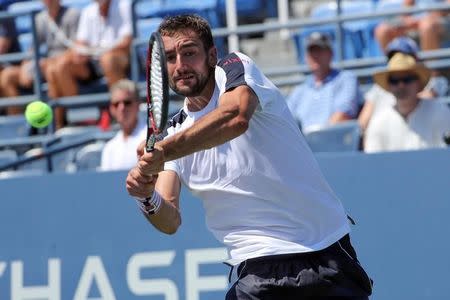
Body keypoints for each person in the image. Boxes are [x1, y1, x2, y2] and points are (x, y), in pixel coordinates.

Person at [126, 14, 372, 299]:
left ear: (212, 55)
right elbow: (169, 220)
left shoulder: (234, 67)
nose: (180, 65)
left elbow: (236, 117)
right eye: (170, 58)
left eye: (189, 53)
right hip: (255, 272)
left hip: (325, 255)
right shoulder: (171, 135)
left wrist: (165, 151)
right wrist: (146, 196)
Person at [48, 0, 132, 129]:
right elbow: (81, 43)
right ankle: (68, 122)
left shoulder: (125, 6)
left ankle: (117, 117)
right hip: (94, 60)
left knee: (107, 60)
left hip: (120, 58)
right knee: (58, 66)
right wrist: (79, 53)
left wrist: (97, 51)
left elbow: (126, 42)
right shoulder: (88, 11)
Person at [0, 0, 80, 116]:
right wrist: (24, 67)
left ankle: (60, 122)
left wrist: (49, 62)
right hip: (46, 64)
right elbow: (33, 49)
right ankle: (18, 124)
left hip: (66, 64)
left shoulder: (73, 14)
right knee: (8, 76)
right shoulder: (40, 19)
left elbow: (76, 50)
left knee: (52, 69)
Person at [364, 52, 450, 152]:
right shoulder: (378, 121)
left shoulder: (440, 112)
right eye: (394, 80)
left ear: (419, 83)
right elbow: (373, 162)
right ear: (389, 86)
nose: (401, 85)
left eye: (407, 79)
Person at [285, 31, 361, 133]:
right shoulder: (299, 90)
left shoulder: (346, 79)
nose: (315, 55)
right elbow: (285, 121)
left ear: (330, 53)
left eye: (320, 50)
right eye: (312, 51)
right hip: (300, 144)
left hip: (331, 142)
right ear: (306, 57)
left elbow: (343, 116)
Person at [100, 79, 146, 171]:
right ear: (111, 109)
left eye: (127, 102)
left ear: (138, 104)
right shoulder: (109, 148)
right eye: (116, 104)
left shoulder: (151, 137)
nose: (122, 108)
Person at [375, 0, 450, 52]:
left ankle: (432, 73)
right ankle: (396, 71)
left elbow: (447, 6)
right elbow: (406, 8)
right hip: (418, 20)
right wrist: (406, 19)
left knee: (427, 27)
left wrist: (423, 19)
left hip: (441, 19)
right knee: (382, 30)